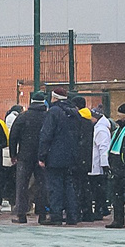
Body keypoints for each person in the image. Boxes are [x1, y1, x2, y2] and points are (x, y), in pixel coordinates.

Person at [39, 94, 86, 225]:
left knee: (55, 187)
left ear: (55, 98)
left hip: (55, 156)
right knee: (69, 186)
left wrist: (42, 155)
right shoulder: (75, 113)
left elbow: (46, 134)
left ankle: (56, 216)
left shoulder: (54, 112)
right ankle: (72, 216)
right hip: (71, 156)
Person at [9, 95, 43, 224]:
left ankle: (21, 214)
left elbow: (13, 136)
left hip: (24, 156)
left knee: (22, 185)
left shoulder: (23, 117)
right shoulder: (47, 117)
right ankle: (42, 213)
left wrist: (13, 154)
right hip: (42, 156)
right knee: (42, 185)